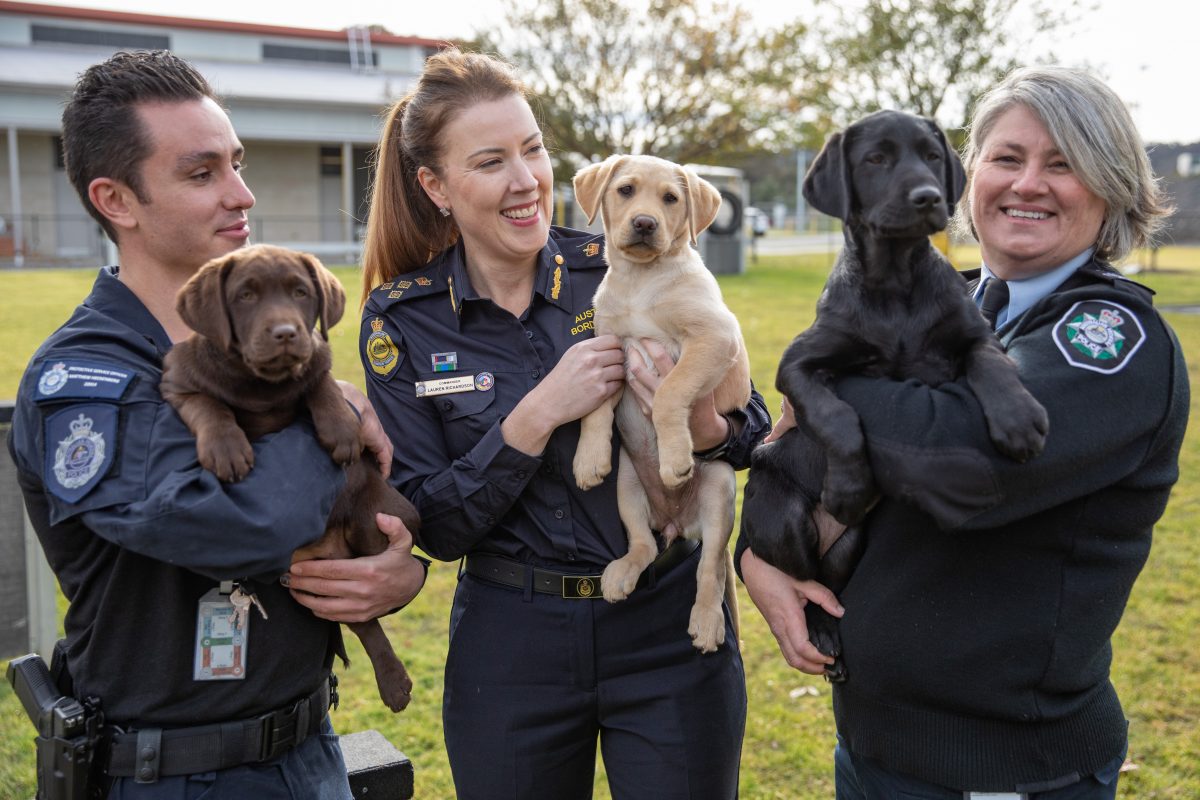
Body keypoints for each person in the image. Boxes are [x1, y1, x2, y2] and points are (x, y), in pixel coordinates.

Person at [738, 66, 1188, 798]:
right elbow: (798, 457)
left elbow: (960, 462)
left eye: (1063, 164)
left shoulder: (1111, 339)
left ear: (1111, 188)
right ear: (969, 177)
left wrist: (821, 373)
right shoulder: (949, 300)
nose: (1028, 184)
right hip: (872, 748)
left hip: (1000, 770)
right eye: (1007, 159)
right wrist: (757, 555)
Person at [7, 50, 425, 799]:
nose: (242, 194)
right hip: (175, 772)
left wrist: (392, 575)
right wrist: (325, 405)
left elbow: (348, 524)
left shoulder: (274, 355)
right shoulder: (90, 378)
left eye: (236, 164)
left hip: (309, 748)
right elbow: (239, 525)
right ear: (117, 200)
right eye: (201, 174)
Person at [358, 48, 771, 800]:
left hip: (667, 625)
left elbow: (751, 431)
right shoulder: (404, 321)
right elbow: (437, 525)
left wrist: (702, 423)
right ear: (435, 186)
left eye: (533, 150)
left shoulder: (620, 267)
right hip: (511, 641)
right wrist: (535, 415)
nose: (525, 181)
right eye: (490, 162)